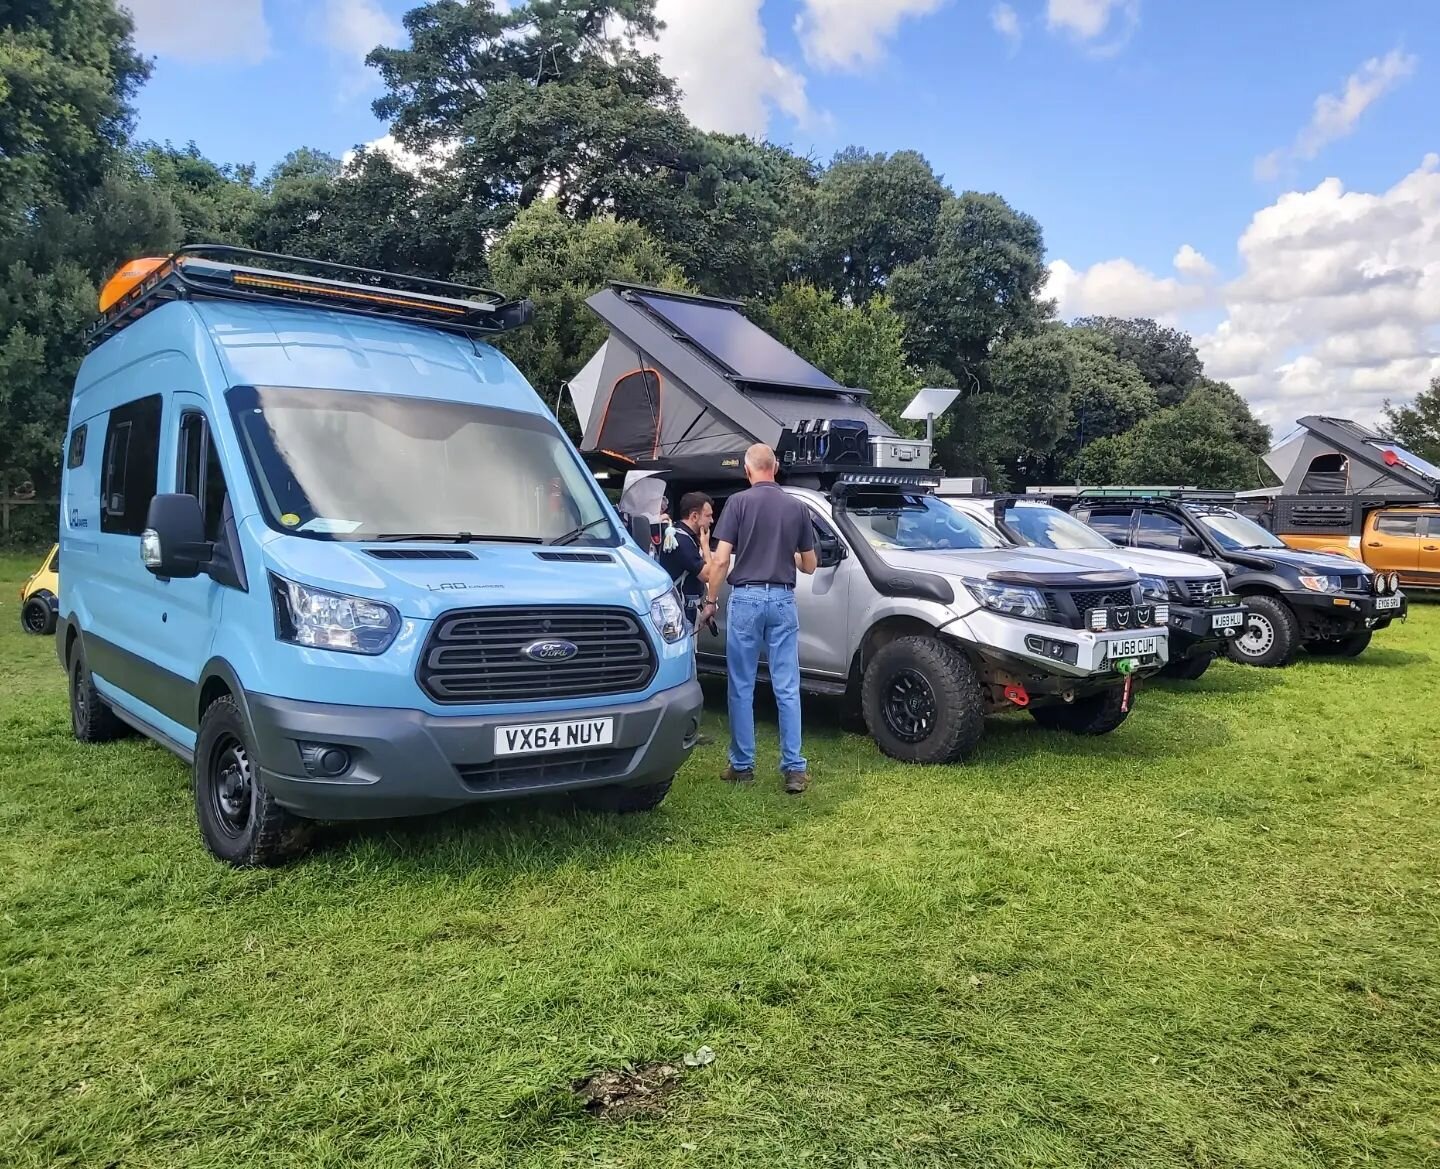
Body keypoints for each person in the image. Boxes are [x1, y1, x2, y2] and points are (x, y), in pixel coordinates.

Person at [702, 444, 817, 794]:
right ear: (776, 467)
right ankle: (794, 769)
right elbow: (810, 564)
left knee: (741, 685)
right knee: (786, 686)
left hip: (747, 599)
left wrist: (710, 600)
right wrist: (789, 556)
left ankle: (742, 766)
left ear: (747, 470)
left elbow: (720, 561)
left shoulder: (738, 503)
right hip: (782, 598)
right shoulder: (797, 507)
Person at [659, 491, 715, 629]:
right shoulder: (682, 541)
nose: (712, 520)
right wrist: (706, 546)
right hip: (681, 615)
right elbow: (709, 575)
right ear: (694, 516)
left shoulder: (679, 535)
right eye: (708, 516)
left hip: (682, 611)